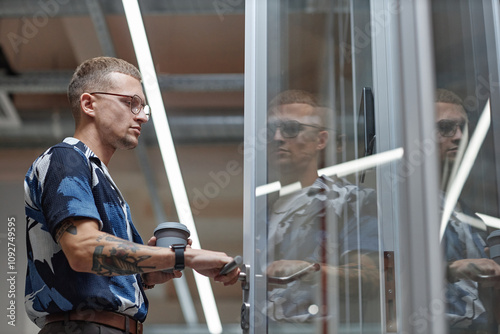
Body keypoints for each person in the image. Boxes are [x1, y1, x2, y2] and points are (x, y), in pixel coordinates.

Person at [24, 56, 240, 334]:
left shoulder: (98, 176)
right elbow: (83, 250)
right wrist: (182, 257)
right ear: (89, 104)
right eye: (131, 103)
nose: (142, 116)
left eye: (143, 107)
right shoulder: (65, 159)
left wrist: (147, 273)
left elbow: (91, 266)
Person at [264, 90, 379, 323]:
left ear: (321, 140)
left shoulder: (350, 201)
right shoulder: (261, 211)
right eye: (270, 131)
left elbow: (371, 278)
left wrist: (309, 271)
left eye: (291, 129)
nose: (277, 137)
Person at [436, 88, 500, 333]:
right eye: (445, 128)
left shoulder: (467, 212)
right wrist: (454, 268)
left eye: (463, 127)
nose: (459, 136)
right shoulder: (401, 205)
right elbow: (388, 274)